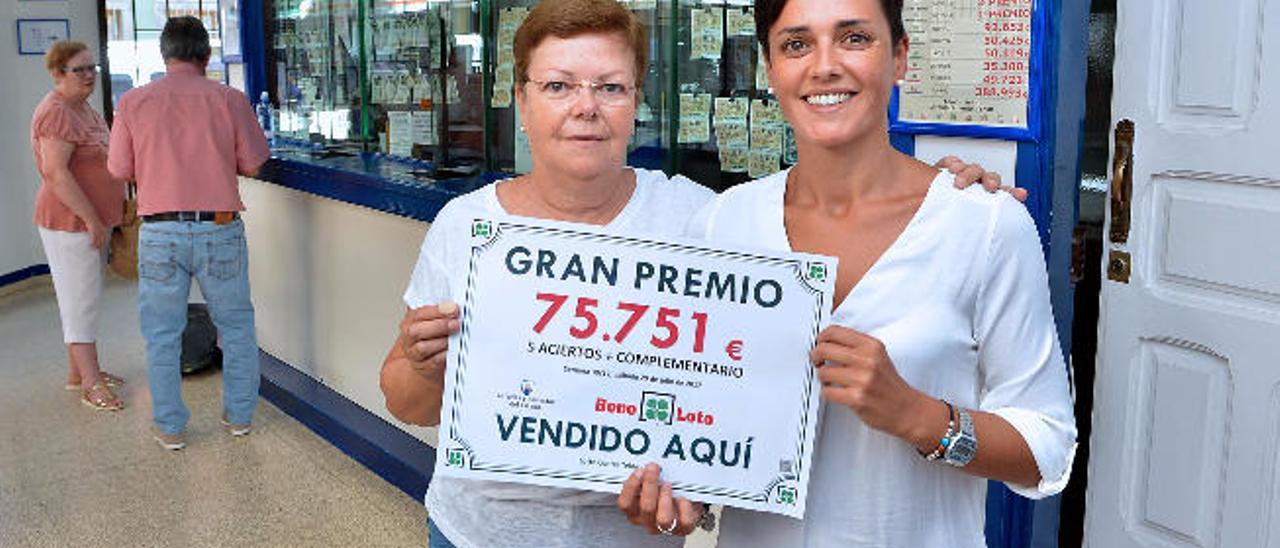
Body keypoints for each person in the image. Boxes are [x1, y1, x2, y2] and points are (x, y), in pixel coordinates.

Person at [380, 2, 1007, 546]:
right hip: (475, 534)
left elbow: (766, 353)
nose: (585, 109)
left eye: (610, 87)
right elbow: (405, 401)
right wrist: (418, 361)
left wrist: (936, 192)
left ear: (636, 101)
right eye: (558, 86)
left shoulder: (701, 221)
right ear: (521, 100)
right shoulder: (467, 229)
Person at [617, 0, 1077, 545]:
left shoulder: (984, 225)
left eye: (854, 38)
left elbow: (1047, 451)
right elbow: (702, 425)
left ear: (900, 57)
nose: (824, 65)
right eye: (796, 44)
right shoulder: (724, 223)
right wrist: (679, 498)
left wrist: (919, 416)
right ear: (770, 68)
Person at [108, 16, 270, 451]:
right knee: (235, 327)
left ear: (165, 55)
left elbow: (119, 169)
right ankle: (238, 418)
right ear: (205, 55)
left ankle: (170, 427)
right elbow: (254, 163)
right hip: (219, 228)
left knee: (161, 333)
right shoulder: (229, 99)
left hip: (159, 232)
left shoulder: (133, 103)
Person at [31, 40, 128, 411]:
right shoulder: (56, 112)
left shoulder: (82, 108)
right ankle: (90, 384)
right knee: (80, 302)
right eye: (80, 69)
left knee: (83, 296)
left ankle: (81, 372)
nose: (89, 75)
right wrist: (90, 218)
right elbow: (56, 173)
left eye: (92, 68)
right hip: (70, 221)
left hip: (89, 220)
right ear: (58, 73)